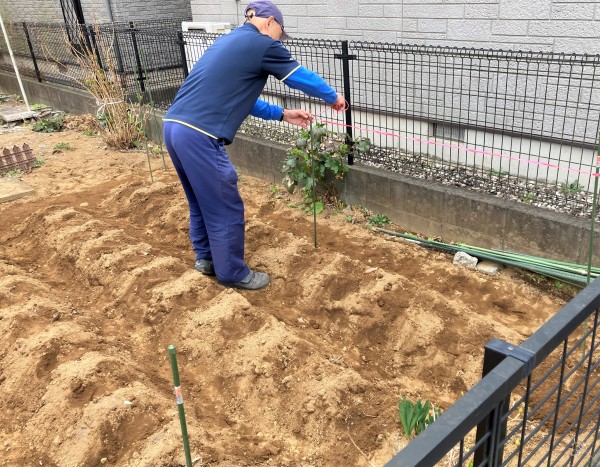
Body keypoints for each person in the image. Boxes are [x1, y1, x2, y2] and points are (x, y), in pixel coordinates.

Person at [163, 0, 345, 290]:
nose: (279, 40)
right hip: (200, 135)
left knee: (202, 200)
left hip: (175, 127)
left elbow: (241, 99)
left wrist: (283, 114)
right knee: (225, 203)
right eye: (280, 33)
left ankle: (206, 259)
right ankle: (232, 273)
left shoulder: (229, 42)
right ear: (270, 21)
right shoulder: (262, 44)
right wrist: (332, 97)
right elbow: (298, 76)